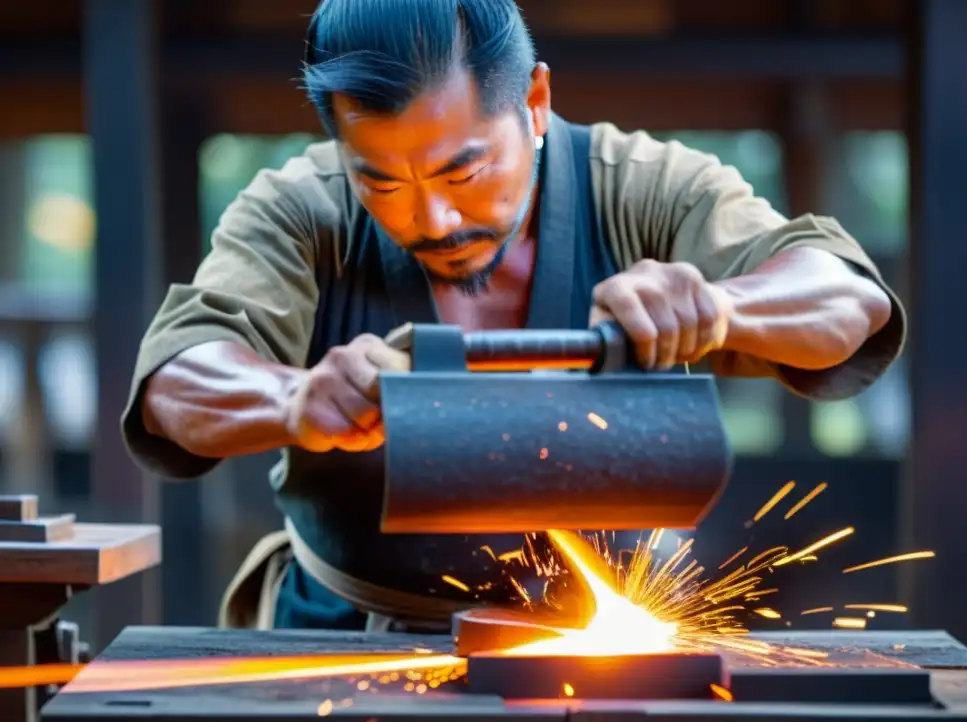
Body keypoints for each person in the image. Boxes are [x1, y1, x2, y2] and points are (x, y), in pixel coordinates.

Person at [122, 0, 905, 632]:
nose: (432, 218)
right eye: (383, 184)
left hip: (610, 638)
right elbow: (176, 381)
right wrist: (292, 400)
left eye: (465, 168)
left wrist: (719, 305)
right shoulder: (303, 209)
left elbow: (852, 301)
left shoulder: (642, 188)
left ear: (535, 101)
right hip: (343, 627)